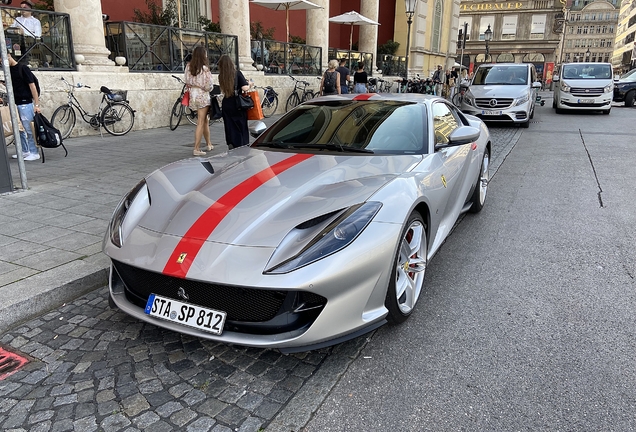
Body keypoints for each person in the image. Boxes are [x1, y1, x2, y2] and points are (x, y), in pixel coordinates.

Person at [8, 53, 41, 161]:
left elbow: (33, 87)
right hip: (16, 103)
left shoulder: (23, 68)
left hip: (25, 103)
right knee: (19, 129)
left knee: (29, 129)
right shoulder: (8, 70)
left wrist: (36, 104)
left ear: (8, 55)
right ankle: (25, 150)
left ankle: (34, 152)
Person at [184, 46, 214, 156]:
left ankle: (208, 143)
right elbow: (209, 85)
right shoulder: (205, 69)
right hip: (202, 95)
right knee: (201, 121)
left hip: (193, 94)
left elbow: (186, 80)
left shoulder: (188, 67)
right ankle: (196, 148)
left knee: (204, 120)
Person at [218, 54, 252, 149]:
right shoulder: (237, 73)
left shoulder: (221, 76)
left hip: (226, 103)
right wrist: (250, 84)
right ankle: (242, 144)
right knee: (240, 125)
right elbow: (245, 88)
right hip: (237, 103)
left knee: (229, 125)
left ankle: (232, 143)